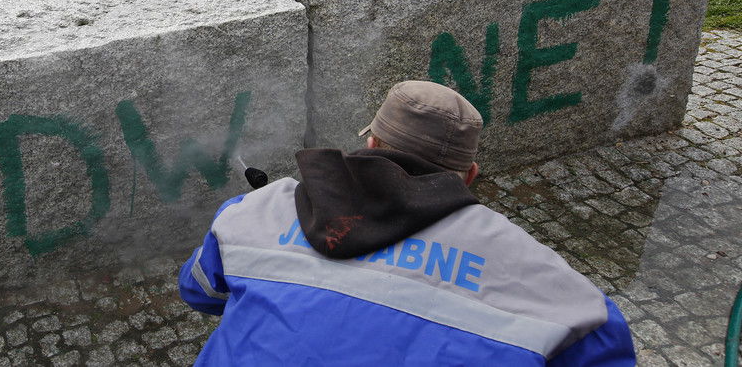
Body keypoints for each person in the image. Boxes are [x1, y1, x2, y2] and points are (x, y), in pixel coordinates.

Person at [179, 80, 635, 365]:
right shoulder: (560, 292)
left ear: (372, 142)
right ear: (471, 175)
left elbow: (200, 292)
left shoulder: (252, 212)